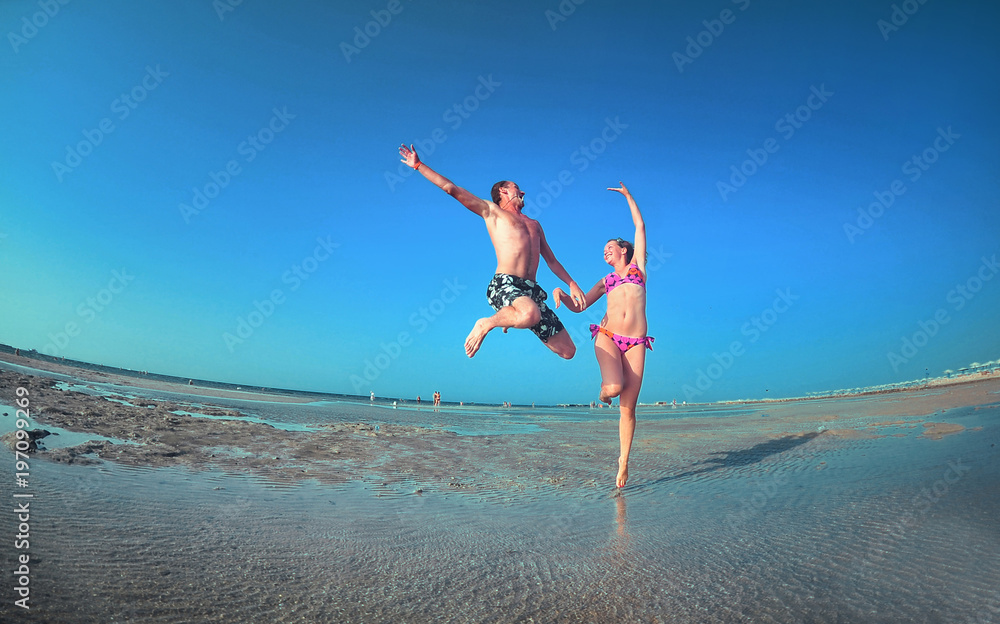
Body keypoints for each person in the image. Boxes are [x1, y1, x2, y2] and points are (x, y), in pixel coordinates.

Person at [398, 143, 587, 358]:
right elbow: (452, 189)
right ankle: (486, 323)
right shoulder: (492, 212)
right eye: (517, 187)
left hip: (530, 291)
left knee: (568, 351)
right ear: (503, 191)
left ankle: (513, 315)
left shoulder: (535, 225)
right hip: (505, 283)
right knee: (531, 313)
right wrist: (419, 165)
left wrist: (571, 283)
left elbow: (552, 261)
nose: (523, 191)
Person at [552, 182, 652, 489]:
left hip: (636, 342)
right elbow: (580, 306)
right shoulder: (606, 280)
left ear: (623, 250)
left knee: (628, 407)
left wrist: (628, 197)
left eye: (610, 247)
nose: (605, 251)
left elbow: (640, 224)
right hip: (608, 336)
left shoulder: (639, 268)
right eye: (603, 250)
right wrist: (561, 293)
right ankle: (602, 391)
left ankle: (623, 463)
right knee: (613, 388)